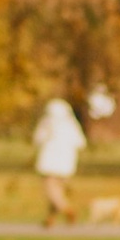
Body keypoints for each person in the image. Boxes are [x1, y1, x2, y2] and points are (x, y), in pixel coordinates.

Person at [33, 92, 86, 225]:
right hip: (67, 163)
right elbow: (80, 142)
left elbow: (38, 138)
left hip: (49, 162)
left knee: (51, 190)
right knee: (58, 191)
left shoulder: (47, 122)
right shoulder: (71, 124)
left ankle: (67, 209)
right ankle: (50, 219)